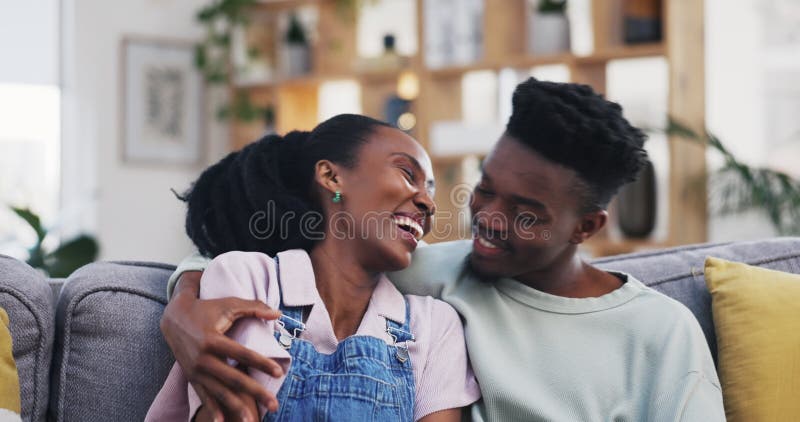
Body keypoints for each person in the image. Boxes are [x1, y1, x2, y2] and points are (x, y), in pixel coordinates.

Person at [161, 79, 725, 421]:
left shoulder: (663, 334)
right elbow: (257, 255)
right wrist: (183, 308)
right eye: (485, 190)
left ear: (586, 227)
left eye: (525, 213)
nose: (487, 221)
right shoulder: (433, 271)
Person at [146, 114, 480, 422]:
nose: (429, 203)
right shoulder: (248, 283)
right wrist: (185, 294)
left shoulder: (435, 326)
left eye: (431, 189)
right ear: (332, 177)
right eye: (408, 175)